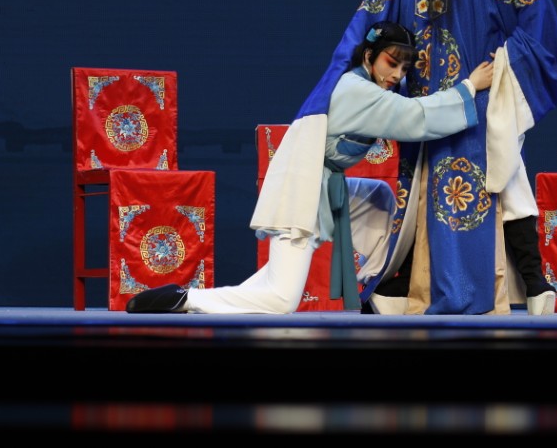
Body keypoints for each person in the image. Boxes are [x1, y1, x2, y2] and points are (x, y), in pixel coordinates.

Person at [313, 0, 557, 315]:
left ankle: (529, 283)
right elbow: (362, 30)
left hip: (477, 102)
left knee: (499, 177)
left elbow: (537, 6)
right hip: (424, 108)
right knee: (420, 198)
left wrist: (505, 68)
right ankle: (417, 287)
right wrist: (329, 96)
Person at [127, 21, 492, 314]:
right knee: (281, 299)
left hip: (323, 186)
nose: (397, 74)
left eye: (403, 68)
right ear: (369, 56)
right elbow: (416, 116)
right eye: (390, 63)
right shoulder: (358, 90)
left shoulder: (364, 84)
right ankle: (186, 299)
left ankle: (375, 285)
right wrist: (469, 87)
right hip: (302, 189)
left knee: (379, 198)